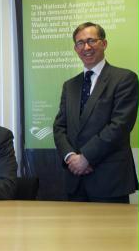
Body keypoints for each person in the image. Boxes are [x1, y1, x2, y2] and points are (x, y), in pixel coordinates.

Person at [53, 22, 139, 203]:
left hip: (109, 180)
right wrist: (71, 157)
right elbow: (60, 127)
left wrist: (86, 157)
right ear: (75, 49)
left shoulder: (125, 79)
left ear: (104, 44)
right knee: (74, 232)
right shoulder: (70, 85)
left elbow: (120, 126)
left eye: (91, 40)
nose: (86, 47)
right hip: (74, 180)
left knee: (113, 232)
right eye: (80, 43)